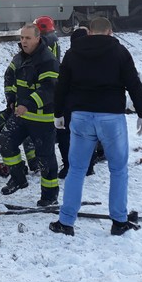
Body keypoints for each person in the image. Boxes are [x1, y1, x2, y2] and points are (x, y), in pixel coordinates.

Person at [49, 17, 142, 237]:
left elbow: (61, 86)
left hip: (81, 117)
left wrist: (58, 114)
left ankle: (66, 222)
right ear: (110, 32)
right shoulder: (120, 52)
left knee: (76, 169)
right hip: (111, 118)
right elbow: (133, 83)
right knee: (118, 169)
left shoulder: (73, 53)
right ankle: (119, 221)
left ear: (89, 32)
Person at [0, 24, 60, 207]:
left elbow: (50, 88)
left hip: (42, 118)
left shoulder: (48, 60)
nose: (23, 41)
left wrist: (28, 103)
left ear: (37, 38)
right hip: (21, 115)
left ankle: (49, 196)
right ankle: (18, 178)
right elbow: (9, 77)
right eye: (22, 38)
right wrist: (11, 97)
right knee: (5, 142)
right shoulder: (19, 58)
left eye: (27, 38)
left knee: (45, 159)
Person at [55, 25, 102, 179]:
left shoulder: (70, 56)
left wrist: (58, 109)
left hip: (72, 104)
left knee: (65, 135)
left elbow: (62, 84)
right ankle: (89, 165)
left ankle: (69, 166)